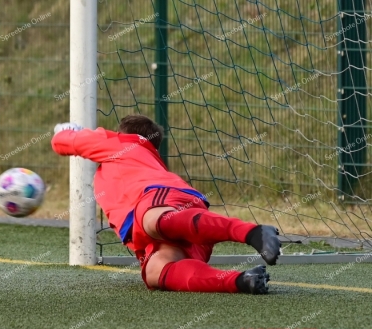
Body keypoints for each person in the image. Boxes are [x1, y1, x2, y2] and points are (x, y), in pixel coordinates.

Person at [51, 115, 281, 294]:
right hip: (172, 222)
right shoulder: (147, 157)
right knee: (155, 271)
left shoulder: (123, 143)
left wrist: (65, 130)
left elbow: (63, 142)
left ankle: (253, 232)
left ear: (124, 134)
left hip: (159, 199)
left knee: (155, 221)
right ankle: (241, 281)